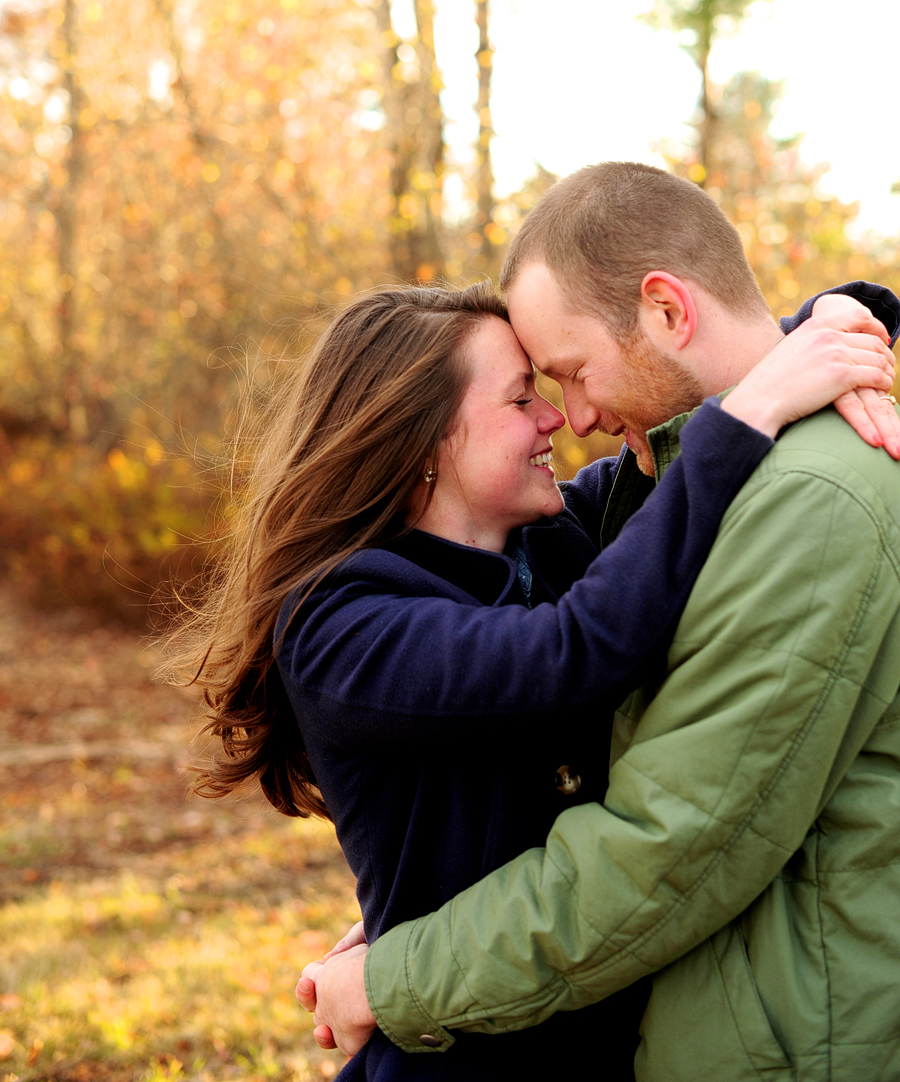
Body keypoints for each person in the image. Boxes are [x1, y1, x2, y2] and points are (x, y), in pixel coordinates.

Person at [299, 163, 900, 1082]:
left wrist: (841, 319)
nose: (565, 416)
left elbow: (666, 850)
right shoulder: (352, 617)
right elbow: (574, 650)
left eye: (569, 374)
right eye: (526, 394)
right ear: (422, 443)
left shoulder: (764, 501)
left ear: (665, 310)